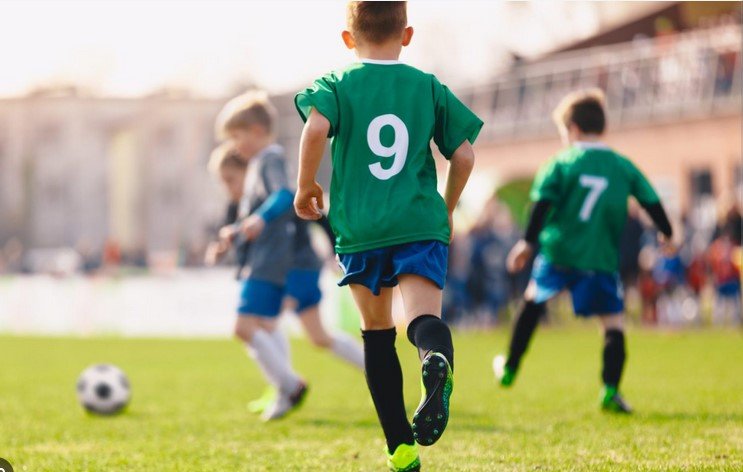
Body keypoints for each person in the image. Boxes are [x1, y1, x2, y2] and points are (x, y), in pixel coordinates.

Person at [293, 2, 482, 470]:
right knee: (420, 321)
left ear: (347, 38)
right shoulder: (427, 86)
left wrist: (306, 184)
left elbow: (316, 125)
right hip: (418, 223)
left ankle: (400, 450)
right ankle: (435, 356)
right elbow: (464, 156)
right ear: (407, 34)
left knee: (377, 335)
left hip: (361, 228)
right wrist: (447, 207)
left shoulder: (338, 83)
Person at [493, 89, 674, 414]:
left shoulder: (561, 162)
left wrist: (527, 243)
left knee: (533, 300)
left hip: (559, 251)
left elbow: (541, 204)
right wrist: (667, 232)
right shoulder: (621, 165)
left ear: (573, 128)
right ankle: (611, 389)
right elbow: (650, 199)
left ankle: (509, 367)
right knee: (613, 323)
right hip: (599, 258)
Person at [205, 142, 365, 416]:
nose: (228, 188)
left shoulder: (272, 197)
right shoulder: (245, 206)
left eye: (231, 179)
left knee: (263, 323)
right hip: (292, 271)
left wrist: (337, 251)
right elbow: (241, 233)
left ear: (249, 169)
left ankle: (286, 387)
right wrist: (223, 246)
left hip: (296, 269)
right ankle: (377, 367)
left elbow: (318, 217)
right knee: (319, 337)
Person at [212, 91, 309, 421]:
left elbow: (283, 195)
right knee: (265, 325)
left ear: (256, 131)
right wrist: (235, 232)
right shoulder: (257, 163)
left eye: (237, 137)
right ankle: (284, 391)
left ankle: (290, 384)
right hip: (264, 257)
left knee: (243, 327)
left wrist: (259, 219)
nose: (235, 146)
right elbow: (257, 211)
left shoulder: (270, 158)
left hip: (270, 260)